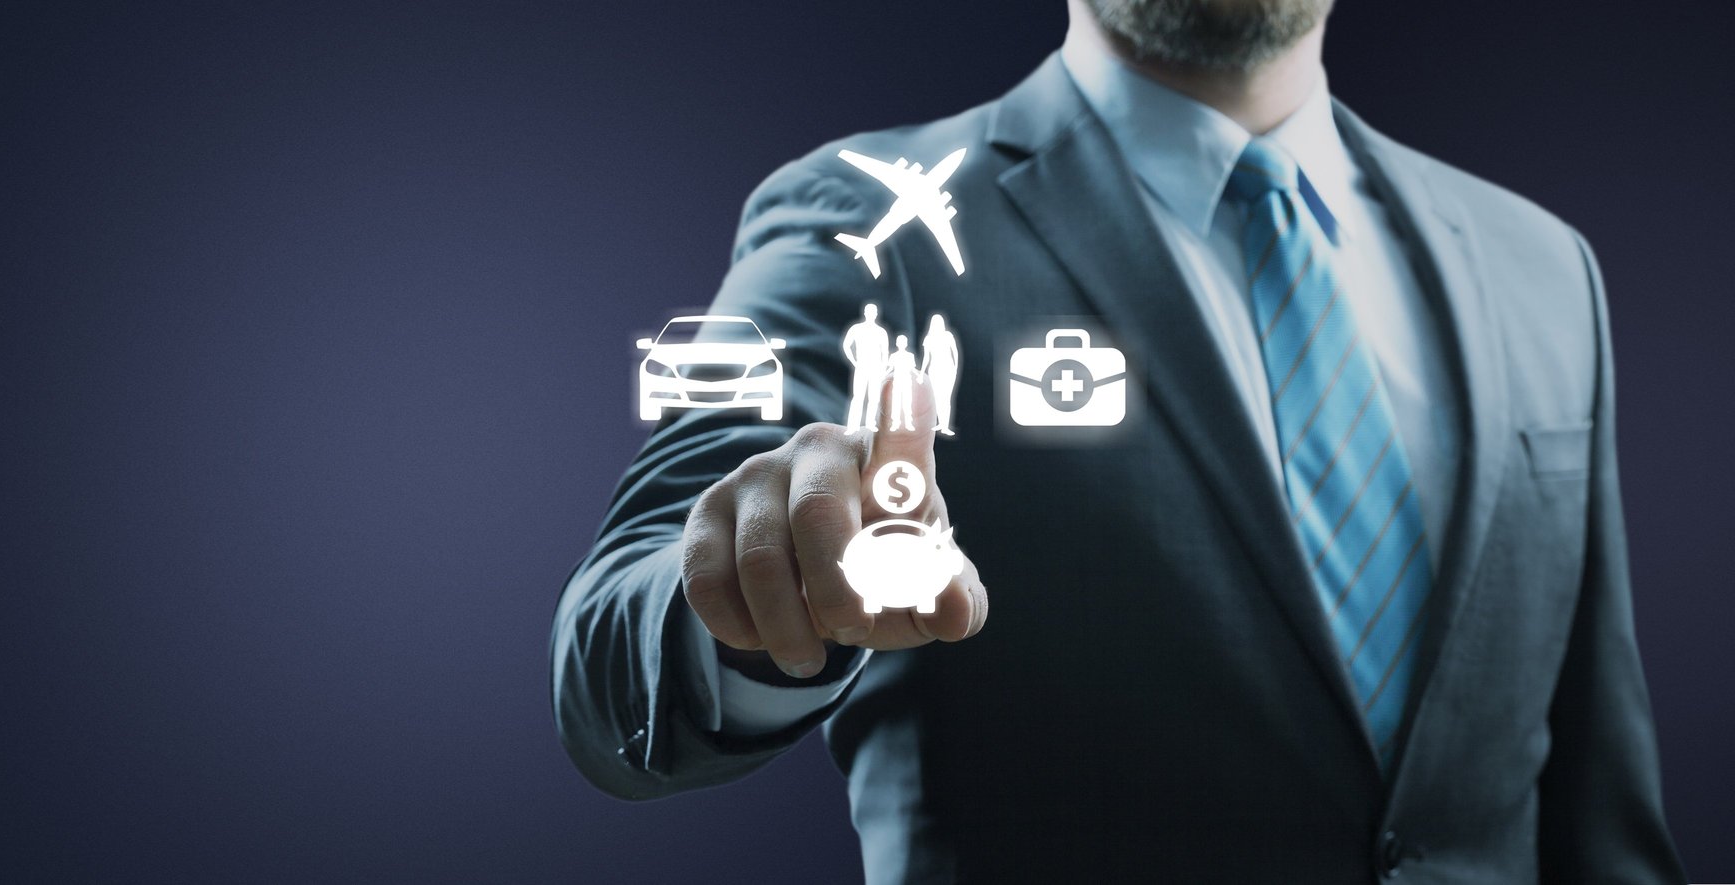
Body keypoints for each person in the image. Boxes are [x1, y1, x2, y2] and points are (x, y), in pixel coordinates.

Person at [551, 0, 1687, 881]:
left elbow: (1602, 813)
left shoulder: (1541, 265)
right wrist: (757, 589)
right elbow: (618, 643)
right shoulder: (878, 223)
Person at [841, 303, 890, 432]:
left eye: (873, 312)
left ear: (876, 314)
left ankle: (870, 424)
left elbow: (884, 352)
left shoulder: (881, 332)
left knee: (874, 398)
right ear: (865, 313)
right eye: (869, 311)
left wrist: (883, 369)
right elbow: (846, 345)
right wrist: (854, 361)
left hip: (876, 368)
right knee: (858, 396)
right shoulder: (857, 329)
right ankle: (852, 425)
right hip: (862, 366)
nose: (871, 314)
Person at [919, 314, 960, 435]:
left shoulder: (948, 336)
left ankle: (945, 426)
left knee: (946, 398)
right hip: (934, 369)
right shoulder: (929, 338)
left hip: (947, 369)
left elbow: (955, 352)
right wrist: (921, 373)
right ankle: (940, 423)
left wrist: (955, 367)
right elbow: (926, 357)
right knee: (937, 398)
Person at [884, 335, 920, 432]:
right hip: (896, 382)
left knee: (907, 403)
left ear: (906, 343)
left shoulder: (910, 356)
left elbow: (913, 369)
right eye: (900, 342)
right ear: (897, 343)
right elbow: (890, 368)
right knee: (896, 403)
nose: (902, 344)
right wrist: (883, 376)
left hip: (907, 382)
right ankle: (895, 423)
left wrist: (919, 376)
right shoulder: (894, 356)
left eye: (903, 342)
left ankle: (908, 422)